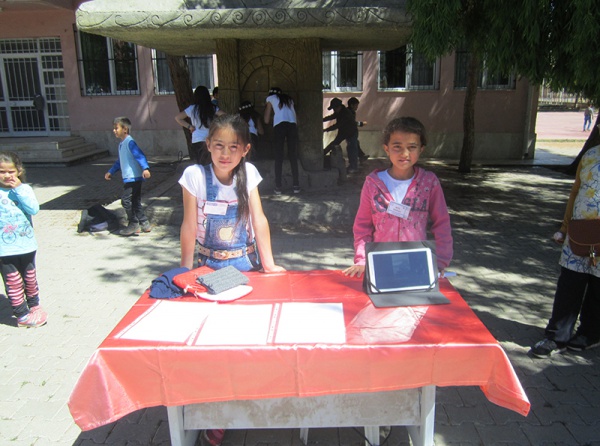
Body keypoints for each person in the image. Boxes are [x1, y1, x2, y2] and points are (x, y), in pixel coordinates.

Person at [343, 117, 453, 278]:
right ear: (386, 149)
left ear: (421, 149)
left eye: (412, 147)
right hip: (381, 263)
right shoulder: (373, 184)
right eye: (397, 146)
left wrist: (440, 261)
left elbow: (442, 223)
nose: (405, 153)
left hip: (416, 264)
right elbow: (362, 226)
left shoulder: (429, 182)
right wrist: (362, 259)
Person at [179, 113, 286, 274]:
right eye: (219, 145)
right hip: (208, 266)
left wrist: (269, 265)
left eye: (233, 147)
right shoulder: (194, 175)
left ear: (245, 149)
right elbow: (189, 226)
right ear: (208, 144)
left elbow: (259, 220)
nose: (225, 154)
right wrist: (185, 270)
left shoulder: (249, 173)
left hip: (246, 262)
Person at [531, 142, 600, 358]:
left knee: (598, 288)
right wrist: (564, 227)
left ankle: (590, 334)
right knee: (569, 284)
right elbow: (575, 192)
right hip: (579, 233)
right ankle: (557, 337)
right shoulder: (590, 155)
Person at [0, 151, 47, 328]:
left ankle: (34, 306)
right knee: (13, 281)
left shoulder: (24, 189)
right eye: (2, 171)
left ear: (19, 171)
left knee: (30, 278)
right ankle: (21, 315)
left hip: (27, 245)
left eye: (11, 171)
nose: (7, 175)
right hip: (5, 249)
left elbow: (33, 209)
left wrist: (19, 189)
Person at [105, 117, 152, 236]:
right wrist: (111, 171)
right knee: (135, 201)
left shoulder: (130, 142)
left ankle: (133, 223)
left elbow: (140, 155)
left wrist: (145, 168)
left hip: (133, 177)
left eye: (116, 128)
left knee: (126, 201)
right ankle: (144, 223)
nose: (114, 131)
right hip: (131, 177)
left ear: (125, 129)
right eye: (114, 128)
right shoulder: (122, 144)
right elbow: (119, 161)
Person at [263, 87, 300, 194]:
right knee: (293, 155)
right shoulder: (289, 100)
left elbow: (266, 120)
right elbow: (297, 120)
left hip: (280, 126)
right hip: (292, 125)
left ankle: (278, 186)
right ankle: (296, 185)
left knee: (279, 155)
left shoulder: (271, 98)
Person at [175, 85, 223, 164]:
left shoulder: (192, 108)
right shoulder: (212, 108)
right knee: (211, 164)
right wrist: (217, 126)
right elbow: (225, 115)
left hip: (197, 139)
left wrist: (190, 127)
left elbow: (178, 118)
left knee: (200, 164)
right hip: (211, 139)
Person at [323, 97, 359, 173]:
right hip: (343, 131)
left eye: (334, 108)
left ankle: (353, 167)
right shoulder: (339, 111)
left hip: (351, 132)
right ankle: (322, 154)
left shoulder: (346, 113)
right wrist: (322, 120)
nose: (334, 110)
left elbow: (337, 125)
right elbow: (332, 116)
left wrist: (326, 130)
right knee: (334, 143)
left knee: (352, 149)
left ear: (338, 107)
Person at [347, 97, 369, 163]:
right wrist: (361, 123)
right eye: (356, 105)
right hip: (350, 133)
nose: (357, 107)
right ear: (352, 105)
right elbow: (352, 123)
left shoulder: (352, 112)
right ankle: (353, 163)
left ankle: (361, 157)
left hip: (352, 132)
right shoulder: (349, 112)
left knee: (356, 144)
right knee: (353, 148)